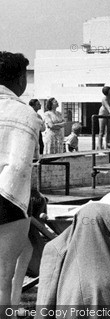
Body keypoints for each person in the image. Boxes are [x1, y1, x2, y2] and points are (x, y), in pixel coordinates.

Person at [0, 52, 42, 313]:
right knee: (3, 278)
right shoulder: (25, 114)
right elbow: (22, 165)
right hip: (9, 199)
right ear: (18, 80)